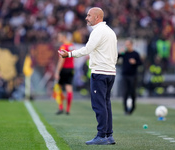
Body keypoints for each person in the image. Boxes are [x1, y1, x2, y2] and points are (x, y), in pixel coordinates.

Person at [58, 7, 117, 145]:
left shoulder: (98, 31)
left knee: (99, 105)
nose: (86, 18)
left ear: (97, 17)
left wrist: (69, 54)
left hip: (100, 73)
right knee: (106, 104)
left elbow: (87, 50)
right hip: (110, 73)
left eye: (89, 15)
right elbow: (115, 54)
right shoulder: (110, 31)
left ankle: (102, 135)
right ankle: (109, 135)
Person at [118, 39, 142, 115]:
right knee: (125, 93)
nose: (126, 46)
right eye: (126, 44)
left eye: (128, 44)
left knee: (132, 93)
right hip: (125, 75)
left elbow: (140, 63)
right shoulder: (124, 53)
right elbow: (116, 58)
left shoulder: (135, 54)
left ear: (131, 45)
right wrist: (119, 52)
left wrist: (135, 62)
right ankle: (125, 110)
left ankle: (132, 108)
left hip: (133, 76)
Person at [54, 32, 74, 115]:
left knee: (58, 87)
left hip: (64, 69)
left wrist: (57, 71)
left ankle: (61, 107)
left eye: (59, 37)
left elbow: (61, 60)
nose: (58, 38)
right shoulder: (72, 46)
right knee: (69, 87)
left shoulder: (63, 47)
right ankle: (68, 109)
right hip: (71, 68)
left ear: (64, 37)